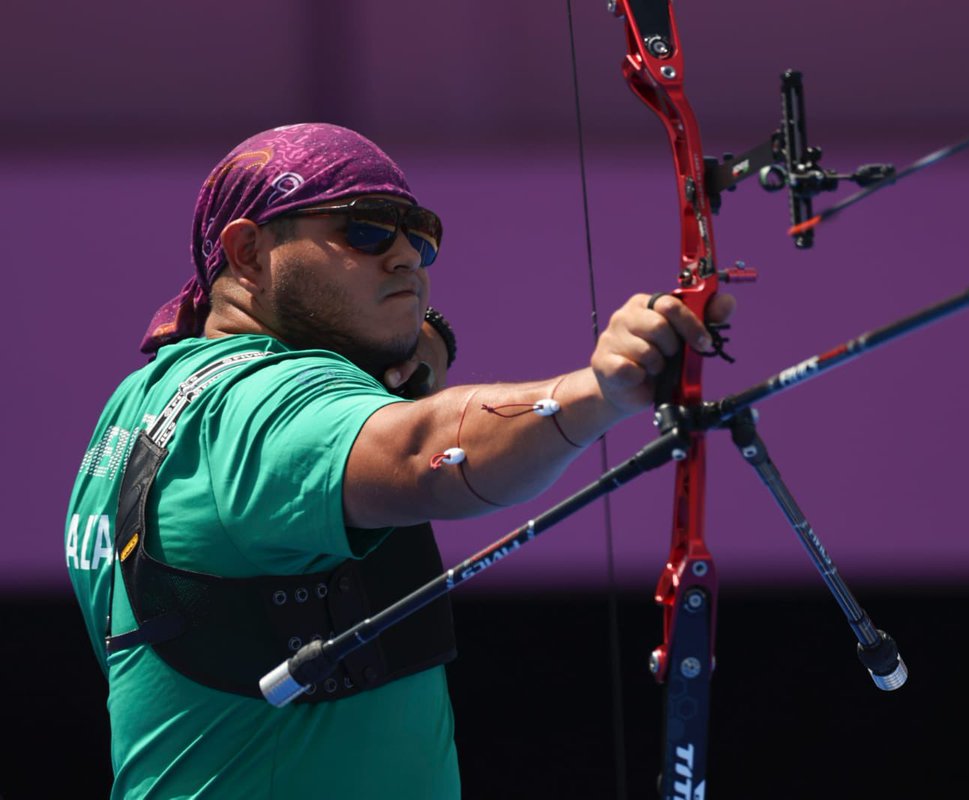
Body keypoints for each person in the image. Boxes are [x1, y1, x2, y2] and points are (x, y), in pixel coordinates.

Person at [64, 122, 733, 798]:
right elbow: (419, 453)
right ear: (248, 251)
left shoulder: (140, 402)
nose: (406, 257)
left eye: (419, 236)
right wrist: (600, 391)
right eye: (365, 229)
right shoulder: (264, 405)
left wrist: (417, 345)